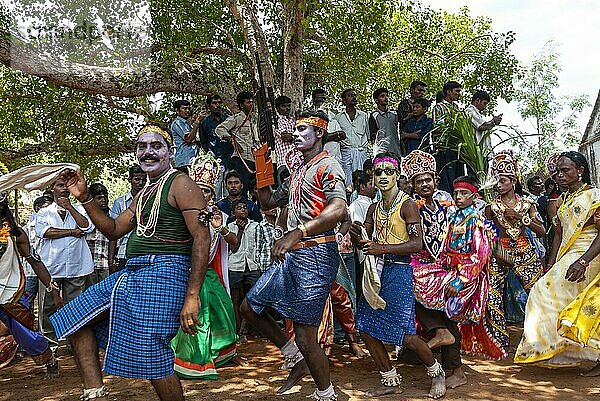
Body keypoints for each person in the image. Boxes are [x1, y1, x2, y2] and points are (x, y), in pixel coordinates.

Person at [49, 123, 211, 401]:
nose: (148, 152)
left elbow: (202, 238)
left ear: (171, 152)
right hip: (133, 272)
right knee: (73, 317)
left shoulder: (181, 184)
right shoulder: (143, 193)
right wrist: (85, 197)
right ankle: (94, 392)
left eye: (156, 146)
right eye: (142, 146)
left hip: (166, 271)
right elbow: (113, 229)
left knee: (151, 350)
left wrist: (192, 295)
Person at [240, 110, 347, 401]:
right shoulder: (299, 170)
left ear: (320, 134)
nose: (296, 134)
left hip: (316, 254)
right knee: (249, 309)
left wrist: (298, 231)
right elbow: (267, 201)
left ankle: (326, 393)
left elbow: (338, 210)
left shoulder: (328, 165)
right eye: (295, 129)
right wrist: (262, 163)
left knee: (305, 335)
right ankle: (293, 356)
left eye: (303, 129)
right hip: (293, 255)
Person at [349, 153, 446, 399]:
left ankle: (437, 373)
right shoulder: (373, 208)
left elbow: (416, 244)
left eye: (388, 171)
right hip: (376, 273)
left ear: (397, 175)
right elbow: (365, 241)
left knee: (407, 336)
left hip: (399, 271)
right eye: (378, 172)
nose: (382, 176)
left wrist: (381, 248)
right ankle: (390, 379)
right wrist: (355, 233)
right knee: (367, 329)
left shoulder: (407, 205)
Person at [515, 151, 600, 375]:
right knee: (566, 304)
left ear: (580, 171)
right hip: (567, 256)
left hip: (588, 255)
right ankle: (564, 349)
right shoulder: (563, 200)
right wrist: (551, 263)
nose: (559, 176)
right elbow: (558, 235)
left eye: (566, 170)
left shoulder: (595, 196)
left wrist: (583, 261)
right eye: (558, 172)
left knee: (549, 295)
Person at [171, 153, 240, 379]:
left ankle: (220, 353)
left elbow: (235, 245)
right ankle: (192, 359)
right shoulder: (183, 215)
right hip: (186, 273)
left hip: (209, 273)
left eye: (208, 190)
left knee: (225, 309)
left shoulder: (220, 216)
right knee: (197, 314)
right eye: (199, 189)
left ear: (213, 194)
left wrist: (220, 227)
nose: (204, 194)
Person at [403, 150, 468, 389]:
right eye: (419, 181)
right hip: (420, 265)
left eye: (427, 179)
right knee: (415, 291)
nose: (424, 184)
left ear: (435, 180)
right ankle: (438, 350)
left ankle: (455, 368)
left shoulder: (448, 206)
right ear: (412, 184)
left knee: (449, 314)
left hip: (446, 266)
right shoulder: (410, 207)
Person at [484, 151, 545, 353]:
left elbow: (542, 231)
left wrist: (521, 217)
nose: (498, 185)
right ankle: (499, 341)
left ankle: (542, 338)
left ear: (513, 181)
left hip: (525, 251)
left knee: (537, 293)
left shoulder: (527, 204)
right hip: (499, 253)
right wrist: (497, 252)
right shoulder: (490, 207)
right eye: (496, 181)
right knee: (493, 296)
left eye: (503, 181)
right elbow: (486, 233)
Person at [0, 189, 61, 378]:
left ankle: (49, 359)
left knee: (25, 333)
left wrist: (51, 286)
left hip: (11, 293)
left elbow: (35, 261)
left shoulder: (16, 234)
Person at [35, 177, 95, 343]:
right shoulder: (43, 213)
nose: (64, 189)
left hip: (77, 266)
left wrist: (69, 207)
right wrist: (71, 232)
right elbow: (45, 232)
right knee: (48, 306)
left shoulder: (79, 210)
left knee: (73, 306)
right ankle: (49, 341)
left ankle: (73, 342)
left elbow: (87, 227)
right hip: (50, 268)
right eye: (60, 185)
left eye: (67, 186)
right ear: (52, 188)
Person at [227, 199, 261, 343]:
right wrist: (240, 230)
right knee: (236, 298)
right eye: (239, 208)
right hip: (235, 265)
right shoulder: (229, 227)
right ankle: (239, 330)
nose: (242, 210)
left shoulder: (256, 226)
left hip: (252, 266)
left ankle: (253, 328)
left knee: (253, 298)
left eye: (244, 208)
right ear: (233, 212)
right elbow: (234, 248)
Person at [216, 91, 260, 195]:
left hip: (253, 160)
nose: (251, 105)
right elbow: (219, 129)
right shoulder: (236, 118)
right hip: (240, 160)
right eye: (248, 102)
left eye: (252, 102)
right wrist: (232, 140)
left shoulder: (254, 120)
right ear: (241, 105)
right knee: (241, 191)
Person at [110, 164, 146, 272]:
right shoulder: (120, 203)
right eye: (137, 179)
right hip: (124, 253)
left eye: (144, 180)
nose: (140, 183)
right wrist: (111, 259)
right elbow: (113, 231)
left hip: (145, 253)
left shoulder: (151, 200)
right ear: (130, 180)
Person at [22, 195, 53, 310]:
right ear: (37, 209)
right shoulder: (26, 229)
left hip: (48, 271)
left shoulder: (54, 227)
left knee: (46, 304)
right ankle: (27, 326)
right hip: (30, 272)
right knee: (26, 303)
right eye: (46, 207)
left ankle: (42, 328)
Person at [198, 94, 232, 199]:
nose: (217, 105)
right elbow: (203, 142)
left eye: (219, 103)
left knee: (230, 187)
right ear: (209, 106)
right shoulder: (205, 123)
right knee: (215, 188)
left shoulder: (228, 120)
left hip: (229, 158)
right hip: (214, 160)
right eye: (214, 103)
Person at [334, 89, 371, 186]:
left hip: (361, 152)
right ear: (344, 100)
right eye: (350, 95)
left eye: (354, 95)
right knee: (348, 180)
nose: (354, 97)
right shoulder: (338, 118)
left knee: (363, 179)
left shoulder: (364, 116)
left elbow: (368, 134)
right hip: (346, 153)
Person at [432, 81, 463, 192]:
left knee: (457, 177)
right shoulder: (439, 107)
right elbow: (437, 127)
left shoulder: (457, 107)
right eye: (457, 91)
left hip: (457, 148)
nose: (459, 94)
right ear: (449, 92)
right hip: (444, 147)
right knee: (447, 178)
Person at [84, 183, 115, 289]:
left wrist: (111, 260)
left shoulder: (111, 216)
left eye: (105, 197)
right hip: (88, 263)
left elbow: (113, 238)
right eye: (99, 198)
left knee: (105, 292)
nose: (104, 200)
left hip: (104, 262)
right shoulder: (85, 217)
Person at [463, 90, 502, 157]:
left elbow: (484, 125)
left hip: (482, 152)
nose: (485, 106)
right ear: (477, 100)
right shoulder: (470, 111)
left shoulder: (476, 113)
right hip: (477, 153)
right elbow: (481, 127)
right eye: (484, 103)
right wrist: (493, 122)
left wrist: (493, 122)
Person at [171, 99, 202, 173]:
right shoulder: (177, 123)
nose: (187, 111)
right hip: (184, 162)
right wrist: (197, 123)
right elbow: (188, 139)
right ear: (177, 110)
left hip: (193, 161)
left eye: (188, 108)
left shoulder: (187, 124)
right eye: (184, 108)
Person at [368, 87, 401, 157]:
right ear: (376, 100)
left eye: (387, 96)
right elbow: (373, 137)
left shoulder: (395, 114)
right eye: (382, 96)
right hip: (381, 153)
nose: (386, 98)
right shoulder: (374, 116)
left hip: (396, 150)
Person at [273, 95, 299, 181]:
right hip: (284, 162)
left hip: (297, 161)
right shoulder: (276, 121)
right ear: (277, 108)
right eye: (284, 106)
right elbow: (285, 137)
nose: (287, 108)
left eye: (288, 106)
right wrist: (300, 136)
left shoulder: (293, 121)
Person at [397, 80, 428, 151]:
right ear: (412, 90)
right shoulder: (404, 104)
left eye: (423, 91)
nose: (422, 93)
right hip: (406, 141)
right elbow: (402, 119)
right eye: (419, 90)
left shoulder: (427, 120)